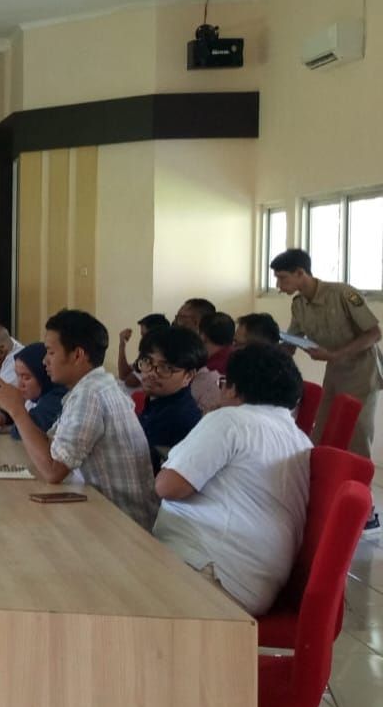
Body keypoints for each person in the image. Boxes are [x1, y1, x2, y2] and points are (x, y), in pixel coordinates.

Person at [154, 344, 312, 614]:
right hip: (252, 578)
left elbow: (168, 486)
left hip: (212, 572)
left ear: (235, 389)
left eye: (223, 383)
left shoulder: (230, 420)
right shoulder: (299, 438)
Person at [0, 309, 158, 529]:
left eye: (50, 352)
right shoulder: (95, 385)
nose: (44, 361)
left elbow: (53, 471)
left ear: (77, 355)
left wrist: (17, 411)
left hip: (121, 525)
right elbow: (52, 448)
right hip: (106, 514)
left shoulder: (90, 395)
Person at [274, 247, 382, 461]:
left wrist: (335, 354)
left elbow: (374, 333)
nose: (278, 286)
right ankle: (321, 483)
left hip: (362, 371)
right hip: (334, 371)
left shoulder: (342, 294)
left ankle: (359, 488)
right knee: (322, 430)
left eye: (282, 278)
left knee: (356, 434)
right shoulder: (299, 304)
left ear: (300, 273)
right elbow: (290, 342)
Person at [135, 326, 206, 471]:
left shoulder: (178, 418)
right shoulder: (158, 402)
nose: (151, 373)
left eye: (165, 367)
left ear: (189, 376)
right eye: (147, 362)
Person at [0, 342, 67, 439]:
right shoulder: (36, 396)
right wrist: (0, 417)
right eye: (18, 376)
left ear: (44, 375)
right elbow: (26, 410)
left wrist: (14, 406)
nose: (20, 384)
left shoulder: (56, 399)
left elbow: (24, 432)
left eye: (26, 377)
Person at [117, 313, 172, 388]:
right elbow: (125, 373)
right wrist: (122, 343)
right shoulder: (146, 354)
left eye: (144, 335)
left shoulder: (158, 357)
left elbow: (128, 380)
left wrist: (122, 345)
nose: (142, 339)